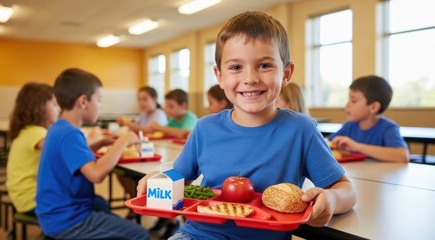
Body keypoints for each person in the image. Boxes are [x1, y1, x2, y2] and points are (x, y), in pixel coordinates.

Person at [137, 11, 356, 240]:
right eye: (235, 67)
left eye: (264, 65)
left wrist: (332, 198)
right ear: (219, 76)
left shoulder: (302, 130)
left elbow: (345, 189)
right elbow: (179, 177)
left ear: (286, 73)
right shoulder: (204, 128)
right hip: (198, 234)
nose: (250, 78)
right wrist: (157, 179)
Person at [36, 68, 150, 239]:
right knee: (139, 235)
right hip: (67, 219)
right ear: (83, 101)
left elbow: (74, 157)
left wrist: (102, 143)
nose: (100, 105)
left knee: (102, 204)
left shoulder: (59, 128)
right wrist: (123, 141)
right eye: (99, 99)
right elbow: (96, 174)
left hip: (53, 212)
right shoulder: (70, 133)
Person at [6, 82, 60, 216]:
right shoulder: (36, 132)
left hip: (23, 197)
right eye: (54, 104)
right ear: (39, 107)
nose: (58, 109)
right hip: (32, 199)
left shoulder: (27, 130)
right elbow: (62, 153)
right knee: (93, 203)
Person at [328, 75, 409, 163]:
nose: (347, 105)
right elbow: (328, 144)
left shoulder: (388, 128)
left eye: (353, 101)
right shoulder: (349, 126)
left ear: (373, 107)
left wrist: (356, 146)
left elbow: (402, 156)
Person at [115, 86, 168, 219]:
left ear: (155, 99)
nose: (142, 102)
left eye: (145, 99)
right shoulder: (143, 115)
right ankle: (134, 199)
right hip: (143, 154)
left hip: (157, 155)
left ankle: (139, 204)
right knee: (122, 173)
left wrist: (129, 124)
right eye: (139, 99)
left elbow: (148, 130)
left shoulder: (159, 114)